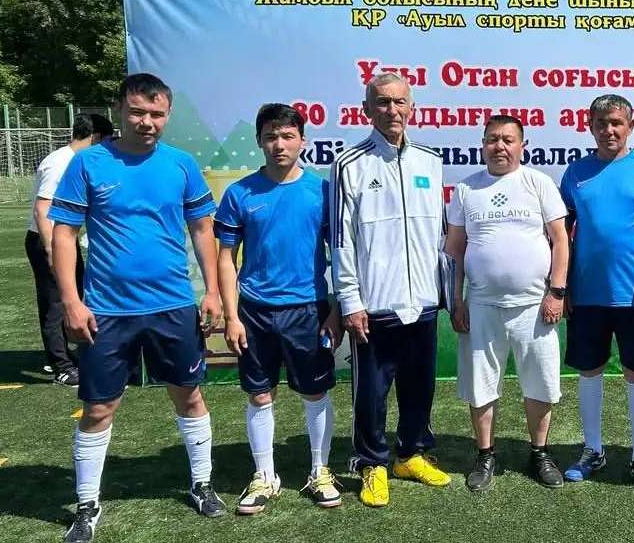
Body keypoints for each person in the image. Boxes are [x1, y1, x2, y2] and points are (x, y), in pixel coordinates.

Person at [51, 73, 226, 543]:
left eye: (157, 114)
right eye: (138, 112)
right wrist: (71, 299)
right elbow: (63, 234)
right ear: (120, 110)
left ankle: (202, 484)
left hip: (171, 306)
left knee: (188, 396)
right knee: (99, 407)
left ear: (167, 115)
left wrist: (211, 292)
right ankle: (87, 505)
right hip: (105, 311)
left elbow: (202, 230)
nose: (147, 122)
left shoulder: (181, 165)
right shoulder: (88, 163)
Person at [215, 103, 342, 513]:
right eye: (271, 136)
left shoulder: (322, 191)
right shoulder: (240, 193)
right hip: (254, 312)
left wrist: (336, 308)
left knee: (315, 391)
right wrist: (232, 316)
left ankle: (320, 470)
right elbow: (225, 258)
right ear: (259, 141)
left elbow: (340, 255)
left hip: (308, 309)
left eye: (288, 136)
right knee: (259, 395)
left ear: (303, 141)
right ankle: (265, 476)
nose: (279, 144)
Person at [330, 73, 449, 508]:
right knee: (371, 393)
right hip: (374, 305)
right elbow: (341, 240)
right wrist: (351, 301)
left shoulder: (430, 161)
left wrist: (444, 294)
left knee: (420, 386)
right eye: (382, 103)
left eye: (400, 102)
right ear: (367, 109)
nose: (392, 111)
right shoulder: (349, 164)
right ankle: (371, 463)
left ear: (411, 107)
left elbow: (438, 236)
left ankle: (410, 454)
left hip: (423, 302)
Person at [444, 114, 570, 492]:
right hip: (481, 305)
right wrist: (456, 300)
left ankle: (540, 453)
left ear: (522, 145)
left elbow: (560, 240)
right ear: (482, 144)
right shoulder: (466, 190)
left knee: (541, 384)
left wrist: (557, 292)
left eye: (508, 140)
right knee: (481, 386)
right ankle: (485, 456)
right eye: (493, 140)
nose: (500, 146)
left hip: (535, 305)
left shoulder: (538, 183)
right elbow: (455, 249)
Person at [558, 94, 634, 494]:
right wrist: (564, 285)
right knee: (589, 372)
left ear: (630, 125)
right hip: (587, 295)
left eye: (617, 123)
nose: (609, 130)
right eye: (601, 123)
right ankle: (593, 450)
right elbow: (561, 236)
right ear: (590, 126)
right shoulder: (575, 173)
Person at [26, 113, 115, 386]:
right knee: (57, 303)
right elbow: (43, 209)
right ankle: (61, 366)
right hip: (48, 240)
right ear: (97, 138)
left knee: (74, 296)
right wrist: (52, 250)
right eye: (107, 142)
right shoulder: (62, 162)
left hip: (63, 239)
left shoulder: (72, 159)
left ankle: (68, 355)